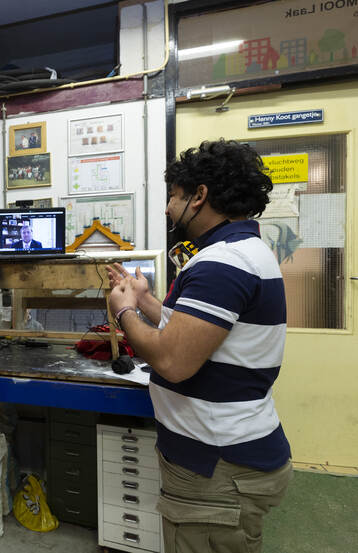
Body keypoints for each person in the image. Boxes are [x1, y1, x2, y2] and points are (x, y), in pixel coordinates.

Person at [106, 139, 292, 553]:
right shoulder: (240, 253)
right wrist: (145, 298)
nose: (168, 208)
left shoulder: (223, 263)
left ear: (200, 196)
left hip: (218, 468)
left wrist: (123, 312)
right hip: (228, 456)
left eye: (173, 196)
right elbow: (196, 330)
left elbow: (172, 359)